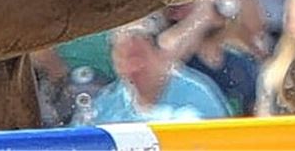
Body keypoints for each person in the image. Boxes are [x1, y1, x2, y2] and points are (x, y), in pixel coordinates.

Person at [87, 16, 231, 124]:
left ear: (159, 54)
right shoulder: (108, 102)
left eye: (138, 56)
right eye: (122, 59)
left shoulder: (195, 94)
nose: (133, 66)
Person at [158, 0, 265, 116]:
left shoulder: (241, 64)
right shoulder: (182, 59)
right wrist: (201, 17)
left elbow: (256, 28)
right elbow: (165, 56)